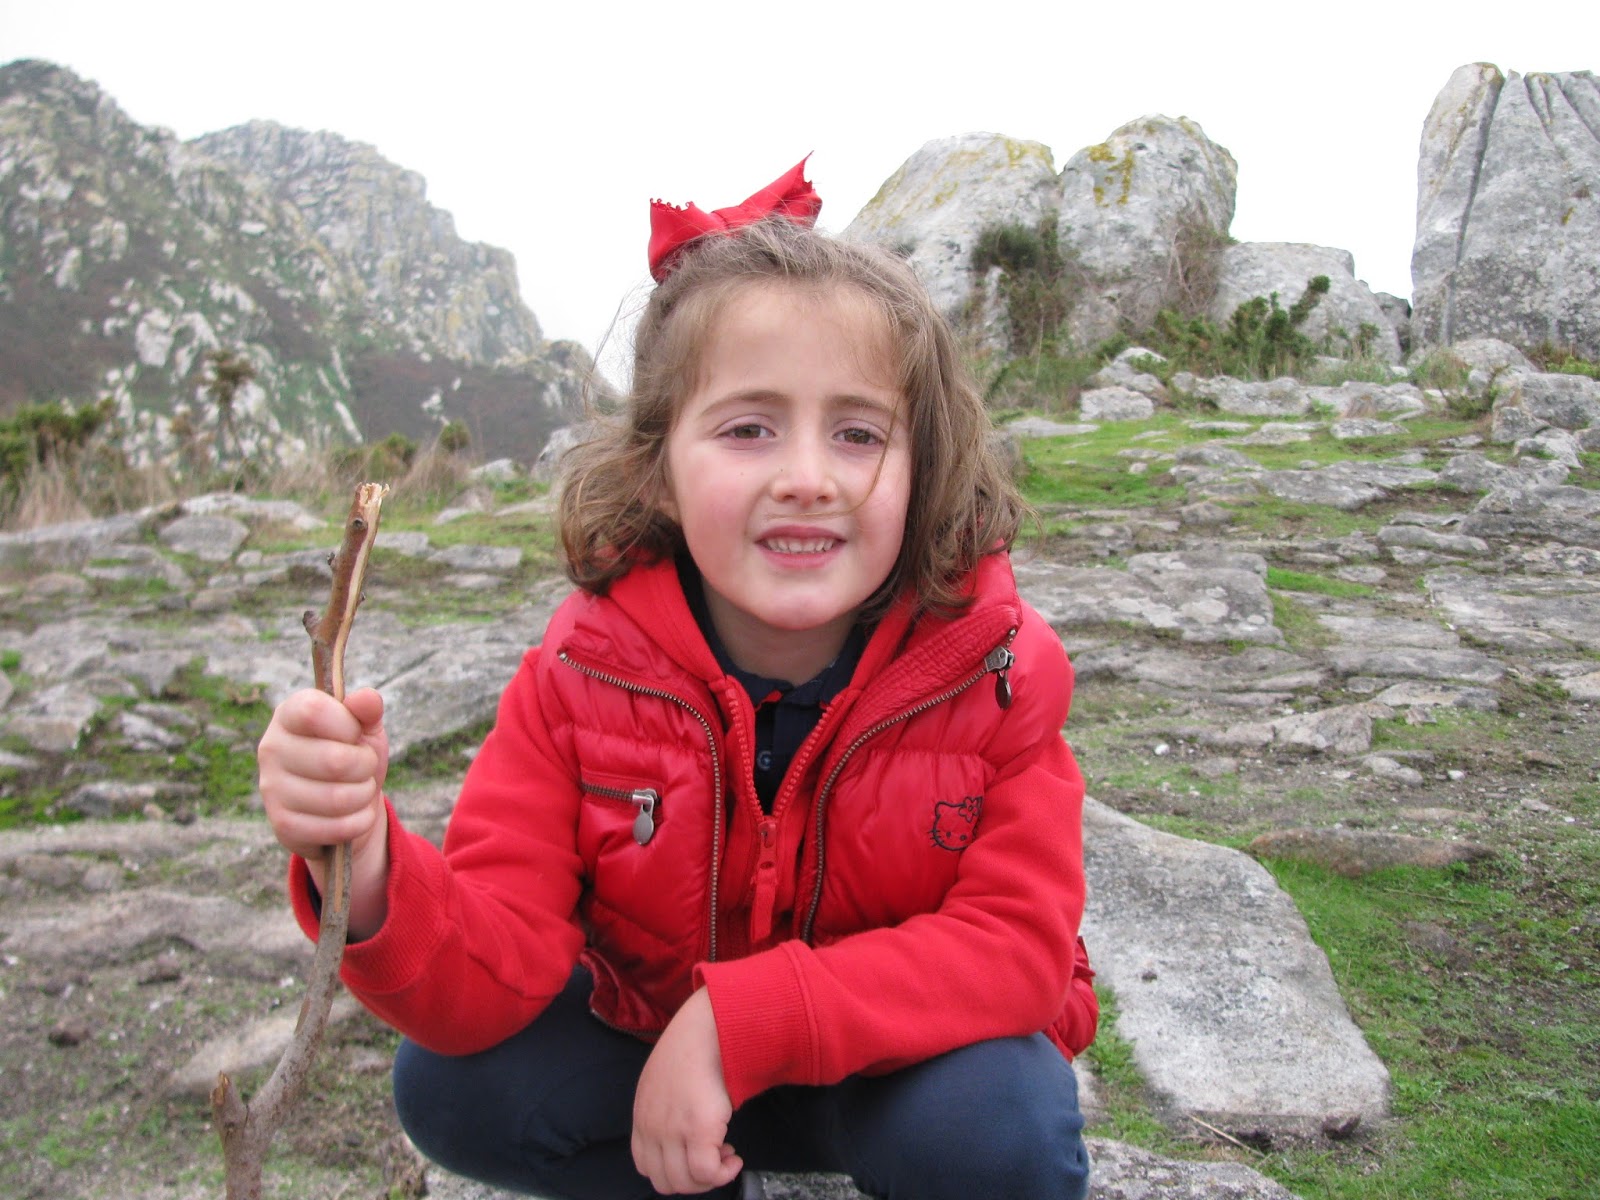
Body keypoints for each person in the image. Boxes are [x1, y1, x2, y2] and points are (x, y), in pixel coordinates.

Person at [258, 159, 1097, 1200]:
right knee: (454, 1088)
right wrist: (366, 859)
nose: (807, 477)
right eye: (748, 429)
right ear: (658, 467)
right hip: (651, 1058)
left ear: (922, 466)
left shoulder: (992, 671)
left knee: (1000, 1128)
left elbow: (1015, 948)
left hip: (890, 1068)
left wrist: (744, 1022)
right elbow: (494, 962)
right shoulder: (581, 676)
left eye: (859, 434)